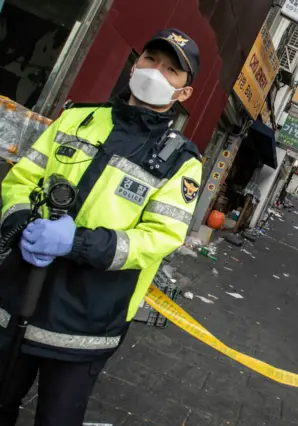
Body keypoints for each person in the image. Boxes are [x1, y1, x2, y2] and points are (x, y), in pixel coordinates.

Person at [0, 29, 202, 425]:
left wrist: (77, 242)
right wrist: (23, 222)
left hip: (87, 320)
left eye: (171, 70)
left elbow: (159, 238)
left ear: (183, 93)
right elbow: (21, 180)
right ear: (134, 64)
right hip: (18, 295)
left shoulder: (181, 162)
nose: (154, 73)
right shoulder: (76, 119)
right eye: (150, 60)